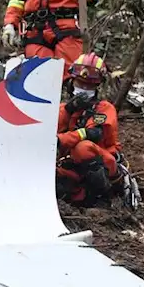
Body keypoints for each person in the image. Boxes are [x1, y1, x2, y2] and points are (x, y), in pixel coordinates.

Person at [56, 52, 131, 208]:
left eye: (89, 86)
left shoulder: (104, 109)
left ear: (98, 87)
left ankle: (103, 199)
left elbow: (93, 134)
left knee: (82, 148)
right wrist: (69, 110)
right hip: (71, 164)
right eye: (79, 83)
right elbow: (51, 129)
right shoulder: (64, 108)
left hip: (103, 162)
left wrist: (61, 140)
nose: (83, 89)